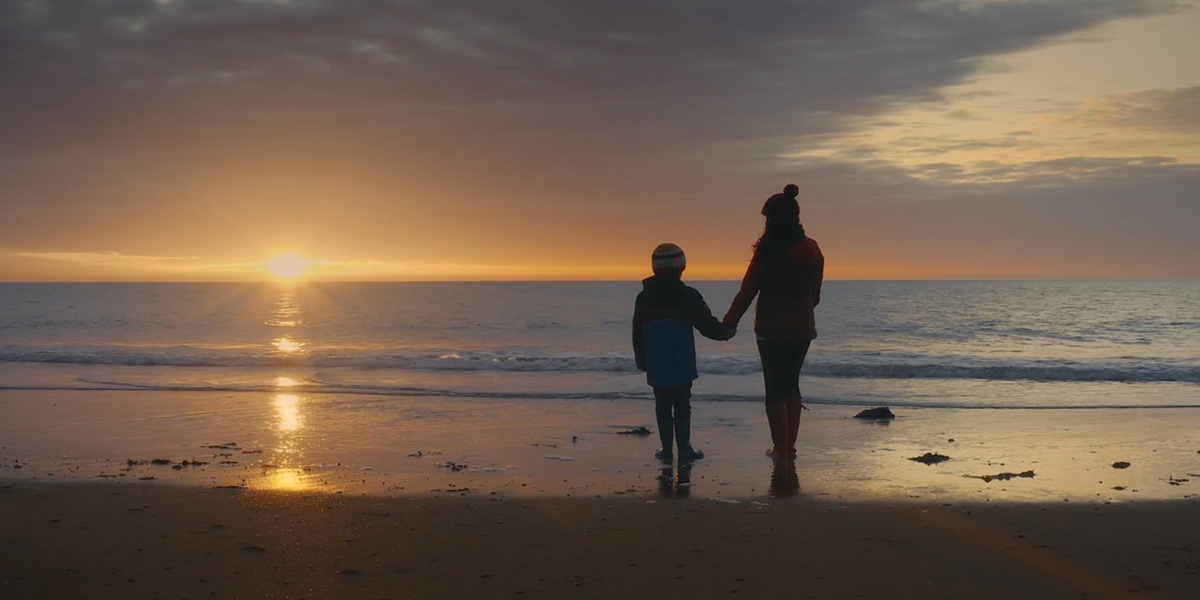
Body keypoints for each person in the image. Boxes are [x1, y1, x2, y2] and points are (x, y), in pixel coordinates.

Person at [722, 184, 824, 459]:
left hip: (771, 328)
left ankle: (780, 448)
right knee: (792, 384)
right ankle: (789, 446)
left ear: (772, 220)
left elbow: (748, 289)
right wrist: (802, 310)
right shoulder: (812, 248)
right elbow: (815, 293)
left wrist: (730, 321)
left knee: (775, 388)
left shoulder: (768, 250)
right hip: (803, 327)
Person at [633, 243, 734, 463]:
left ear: (653, 268)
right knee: (681, 402)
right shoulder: (688, 295)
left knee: (661, 403)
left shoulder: (644, 298)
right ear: (682, 267)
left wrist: (641, 358)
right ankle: (685, 448)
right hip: (681, 358)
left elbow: (637, 330)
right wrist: (725, 332)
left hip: (656, 358)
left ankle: (666, 450)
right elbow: (705, 323)